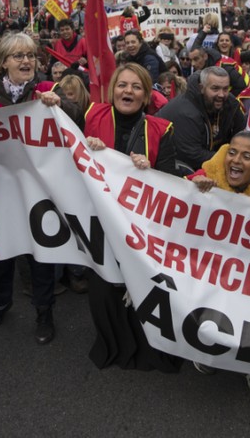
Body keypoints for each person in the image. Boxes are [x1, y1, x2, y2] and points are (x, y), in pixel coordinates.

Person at [0, 32, 80, 344]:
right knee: (1, 253)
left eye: (31, 55)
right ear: (2, 62)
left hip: (40, 192)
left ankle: (44, 311)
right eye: (18, 56)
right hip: (1, 191)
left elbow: (78, 119)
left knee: (42, 254)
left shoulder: (47, 89)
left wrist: (61, 105)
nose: (26, 61)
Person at [83, 63, 181, 372]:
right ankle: (113, 344)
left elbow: (169, 180)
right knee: (105, 284)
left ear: (147, 94)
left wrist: (149, 172)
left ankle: (149, 345)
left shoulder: (160, 129)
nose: (128, 91)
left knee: (141, 283)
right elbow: (62, 144)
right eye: (123, 85)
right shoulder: (90, 116)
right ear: (113, 90)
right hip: (98, 216)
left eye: (136, 86)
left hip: (140, 223)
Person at [189, 131, 250, 396]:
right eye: (232, 152)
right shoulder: (206, 177)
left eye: (247, 156)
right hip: (212, 268)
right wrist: (196, 186)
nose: (236, 160)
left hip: (248, 273)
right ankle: (206, 352)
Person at [156, 67, 247, 171]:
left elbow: (243, 135)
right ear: (202, 88)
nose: (221, 94)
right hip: (173, 169)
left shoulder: (231, 104)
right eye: (215, 88)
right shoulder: (186, 112)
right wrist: (233, 159)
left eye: (225, 89)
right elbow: (193, 155)